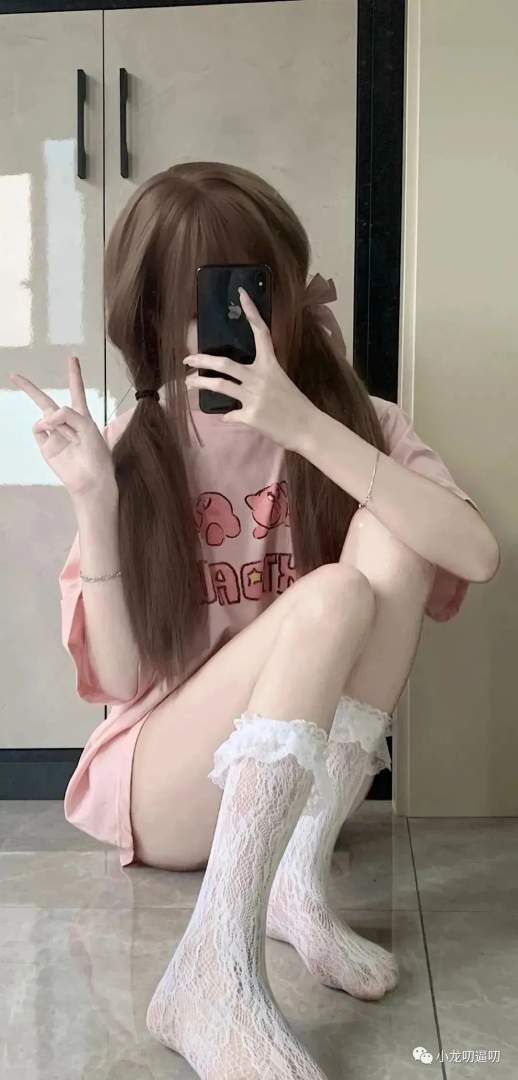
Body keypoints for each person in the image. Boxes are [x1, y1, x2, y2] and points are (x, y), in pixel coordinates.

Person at [9, 161, 499, 1080]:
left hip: (283, 803)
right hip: (163, 787)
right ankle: (212, 970)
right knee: (332, 595)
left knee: (391, 540)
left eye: (251, 288)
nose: (232, 322)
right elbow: (119, 680)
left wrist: (306, 427)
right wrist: (93, 501)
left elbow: (473, 554)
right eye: (202, 297)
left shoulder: (354, 424)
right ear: (156, 315)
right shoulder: (140, 445)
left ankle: (293, 881)